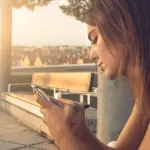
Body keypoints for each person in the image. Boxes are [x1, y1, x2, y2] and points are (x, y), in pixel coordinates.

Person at [36, 0, 150, 150]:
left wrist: (63, 136)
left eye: (95, 38)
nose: (91, 54)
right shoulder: (144, 98)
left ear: (125, 28)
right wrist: (80, 133)